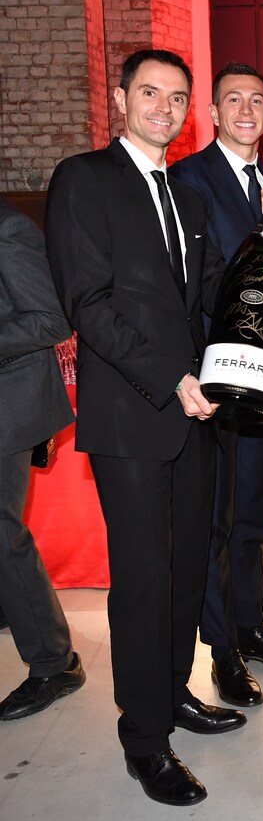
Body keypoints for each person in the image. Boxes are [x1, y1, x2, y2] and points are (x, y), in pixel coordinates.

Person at [46, 49, 244, 806]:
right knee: (142, 579)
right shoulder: (83, 180)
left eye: (178, 97)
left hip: (196, 412)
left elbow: (215, 294)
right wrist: (171, 379)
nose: (165, 107)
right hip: (133, 414)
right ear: (121, 98)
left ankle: (173, 693)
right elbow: (88, 303)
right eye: (151, 93)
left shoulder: (186, 196)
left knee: (189, 566)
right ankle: (145, 738)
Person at [169, 62, 263, 708]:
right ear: (213, 112)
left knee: (254, 510)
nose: (247, 110)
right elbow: (206, 278)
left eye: (258, 99)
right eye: (234, 99)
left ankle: (251, 627)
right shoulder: (189, 179)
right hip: (215, 373)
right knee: (217, 521)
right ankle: (222, 647)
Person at [0, 195, 86, 722]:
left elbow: (51, 320)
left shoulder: (8, 227)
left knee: (2, 532)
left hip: (10, 404)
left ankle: (55, 663)